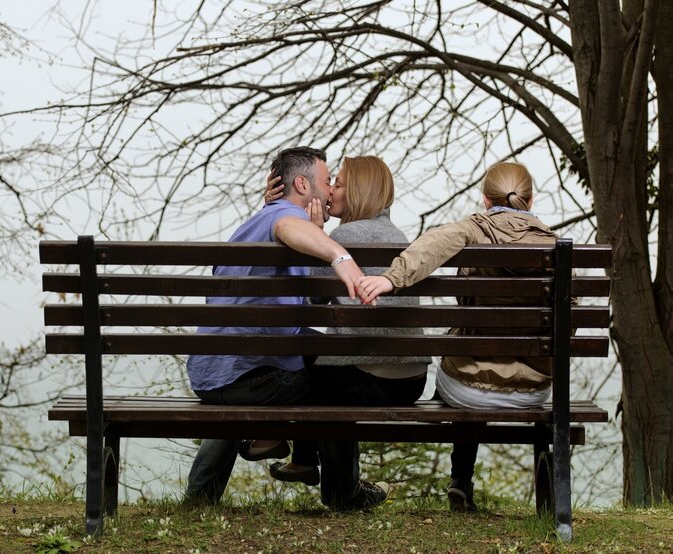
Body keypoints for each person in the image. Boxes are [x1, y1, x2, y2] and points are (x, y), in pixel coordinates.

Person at [184, 146, 389, 510]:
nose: (330, 192)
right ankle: (345, 493)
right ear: (301, 184)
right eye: (327, 183)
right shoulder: (284, 218)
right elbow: (287, 226)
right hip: (250, 378)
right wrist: (339, 256)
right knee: (336, 383)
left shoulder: (251, 226)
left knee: (312, 356)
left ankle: (203, 495)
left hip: (211, 374)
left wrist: (313, 232)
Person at [358, 161, 558, 511]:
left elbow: (430, 246)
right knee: (477, 358)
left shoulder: (473, 228)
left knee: (465, 361)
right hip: (534, 391)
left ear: (485, 199)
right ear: (530, 198)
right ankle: (531, 496)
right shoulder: (554, 244)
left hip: (469, 390)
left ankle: (460, 479)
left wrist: (392, 278)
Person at [259, 156, 430, 486]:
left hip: (371, 379)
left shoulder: (346, 236)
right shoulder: (398, 235)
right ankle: (310, 466)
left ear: (359, 191)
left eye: (337, 184)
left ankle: (325, 477)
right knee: (328, 370)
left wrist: (315, 234)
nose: (330, 191)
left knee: (312, 372)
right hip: (411, 379)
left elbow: (310, 301)